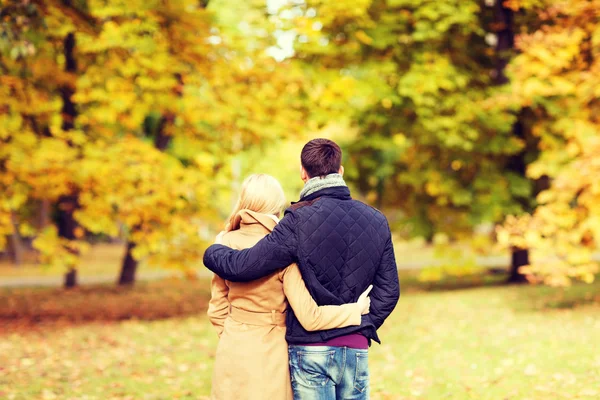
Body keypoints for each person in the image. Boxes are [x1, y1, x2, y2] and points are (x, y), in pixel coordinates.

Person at [204, 138, 400, 400]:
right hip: (356, 347)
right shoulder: (377, 219)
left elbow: (245, 266)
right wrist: (361, 324)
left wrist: (214, 250)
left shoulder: (296, 221)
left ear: (302, 173)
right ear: (340, 171)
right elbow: (389, 291)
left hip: (310, 348)